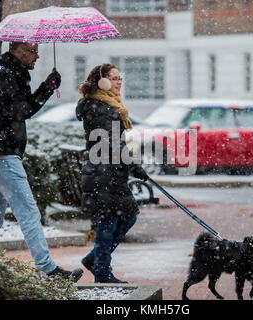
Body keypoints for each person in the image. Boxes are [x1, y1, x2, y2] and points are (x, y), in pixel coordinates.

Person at [0, 42, 83, 282]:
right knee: (29, 213)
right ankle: (47, 269)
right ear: (17, 50)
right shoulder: (1, 78)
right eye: (32, 51)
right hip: (4, 157)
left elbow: (24, 110)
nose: (37, 55)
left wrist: (47, 86)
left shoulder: (12, 76)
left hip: (2, 156)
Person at [76, 63, 149, 283]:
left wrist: (131, 164)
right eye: (114, 78)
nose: (119, 82)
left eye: (120, 78)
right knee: (109, 221)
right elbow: (110, 142)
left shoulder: (110, 106)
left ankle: (95, 260)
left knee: (127, 216)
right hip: (103, 173)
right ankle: (101, 272)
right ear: (103, 82)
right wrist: (134, 164)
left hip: (110, 172)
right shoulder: (99, 108)